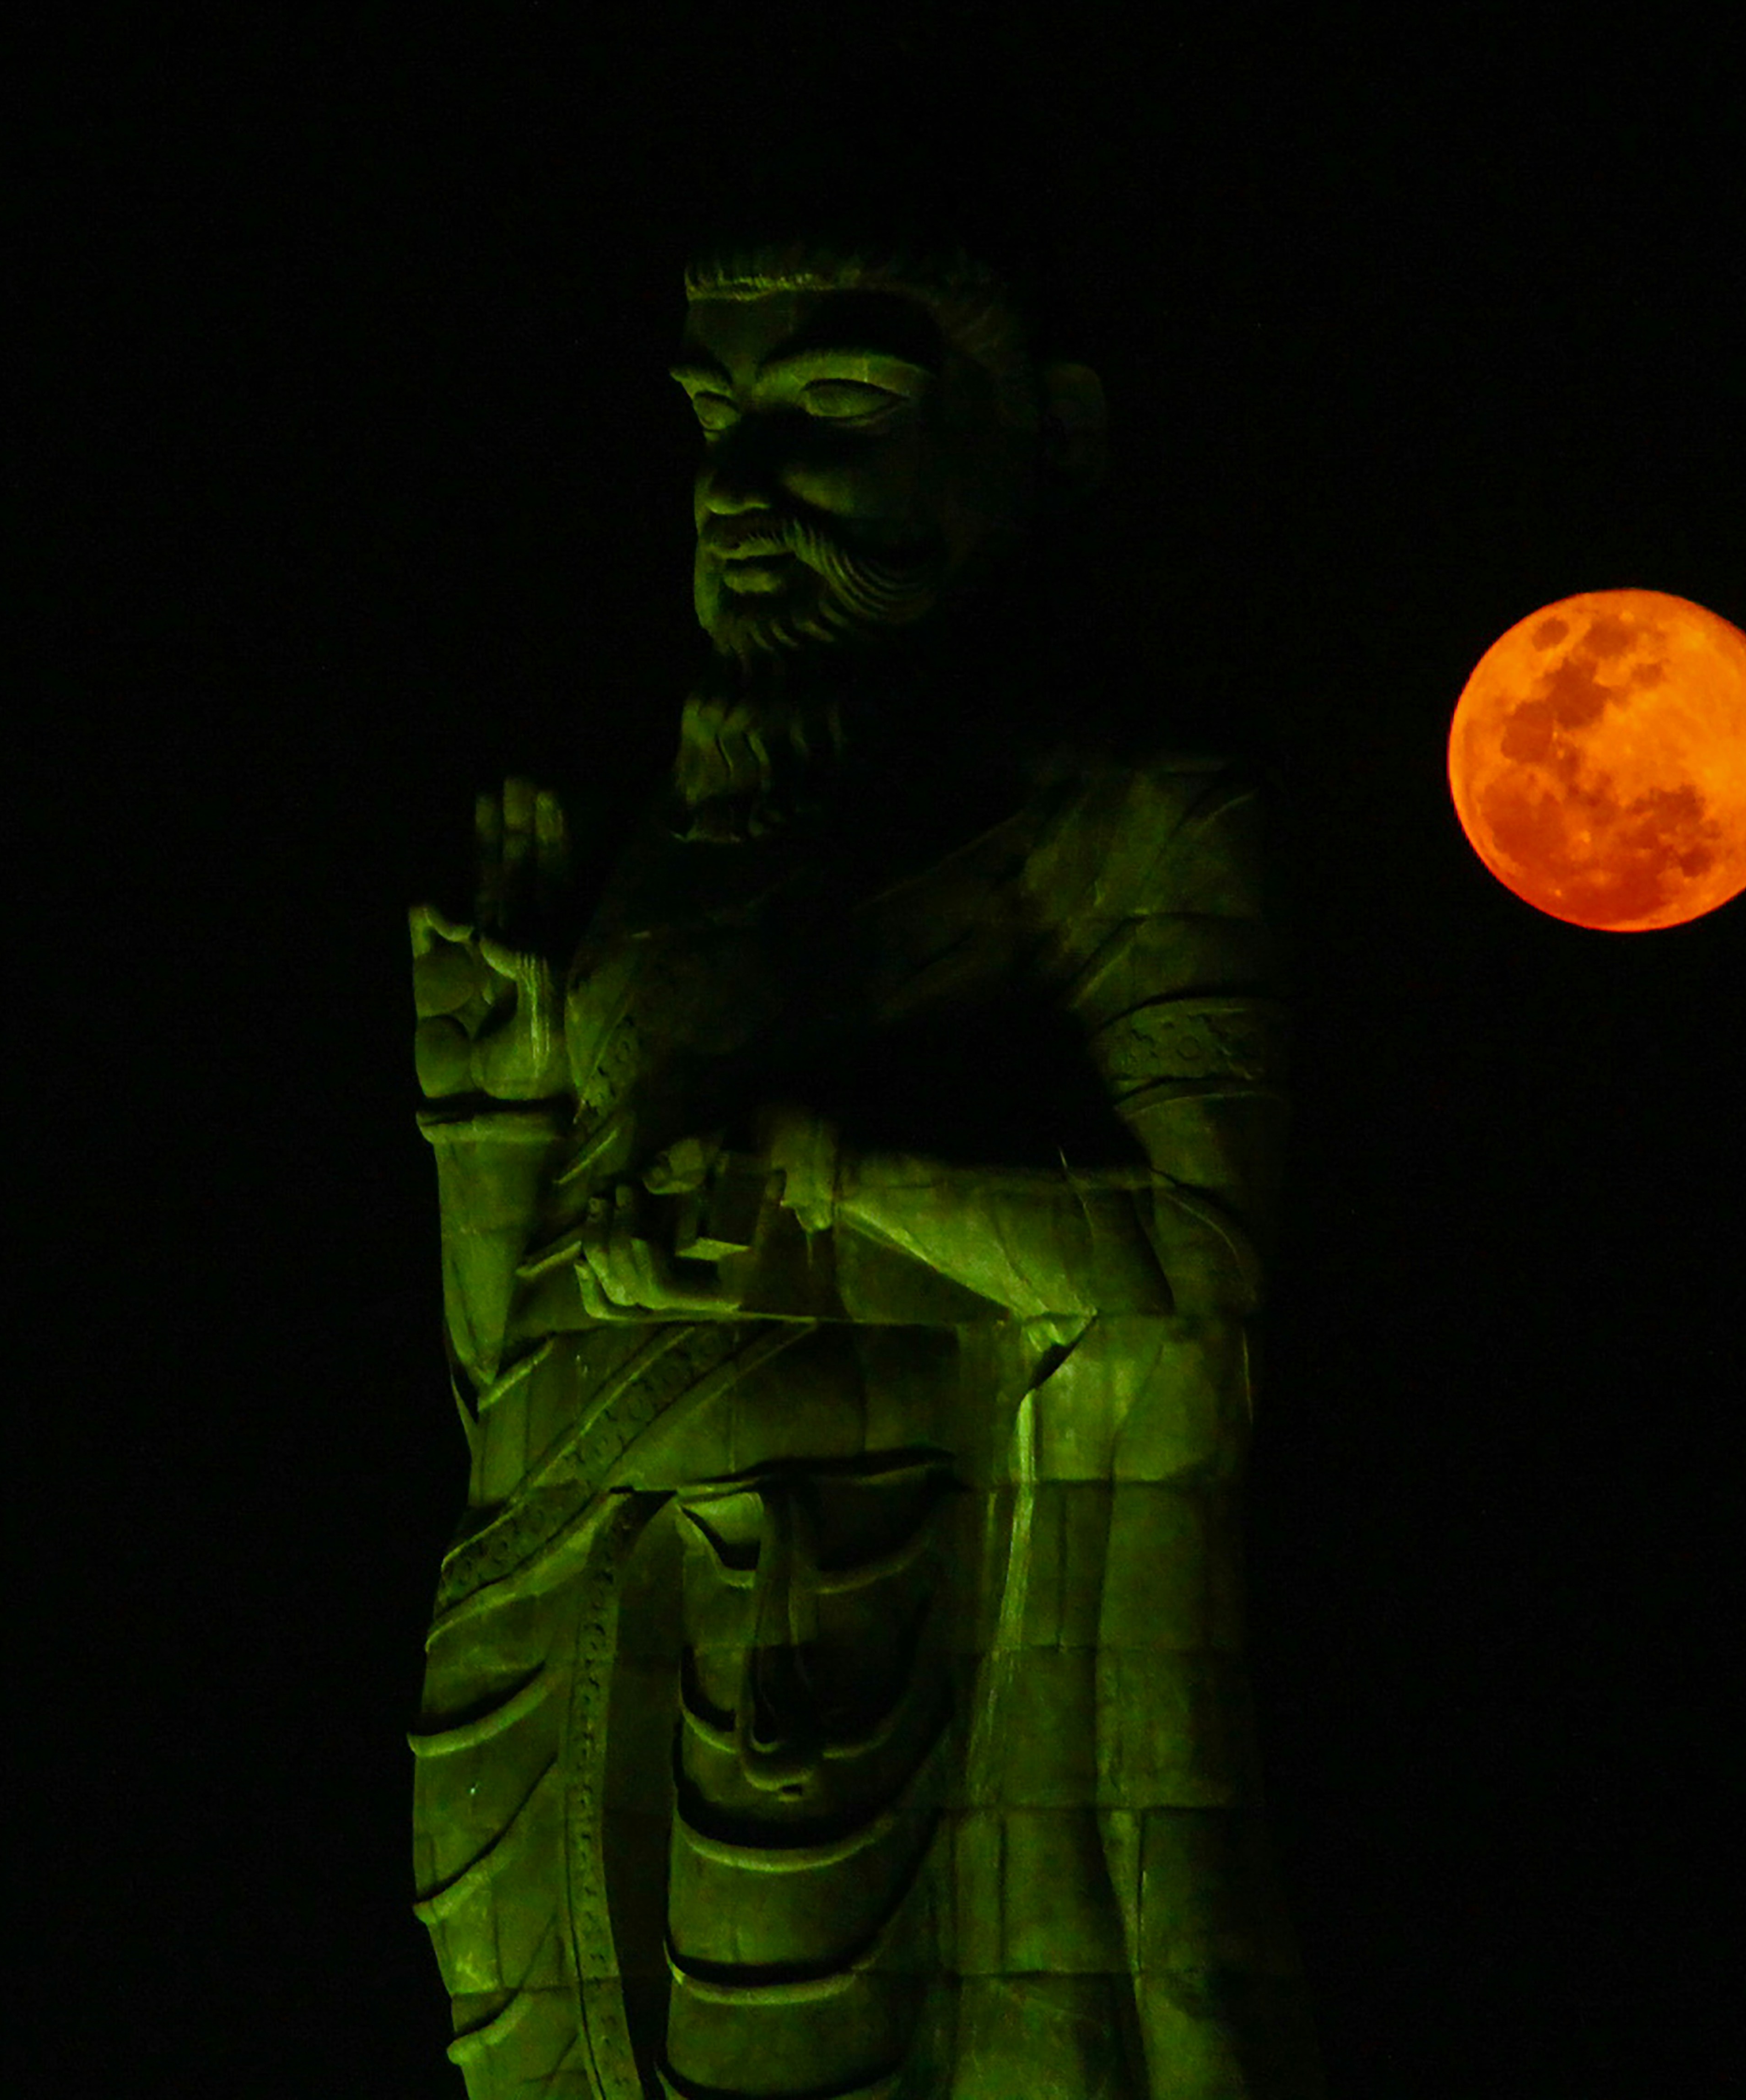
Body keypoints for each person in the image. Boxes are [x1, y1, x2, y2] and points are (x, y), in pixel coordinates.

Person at [404, 209, 1321, 2096]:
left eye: (832, 406)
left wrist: (836, 1169)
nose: (739, 482)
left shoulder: (1124, 825)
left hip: (867, 1631)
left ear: (1038, 435)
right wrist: (488, 1120)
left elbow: (1188, 1277)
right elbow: (508, 1394)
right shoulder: (656, 857)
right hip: (551, 1646)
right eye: (712, 418)